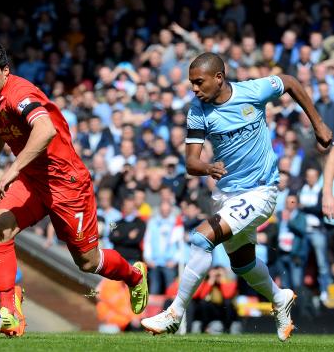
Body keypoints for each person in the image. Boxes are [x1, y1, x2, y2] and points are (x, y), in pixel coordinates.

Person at [141, 52, 332, 342]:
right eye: (192, 83)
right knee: (242, 264)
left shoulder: (253, 91)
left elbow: (291, 82)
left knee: (200, 238)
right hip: (230, 196)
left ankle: (175, 312)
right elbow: (192, 163)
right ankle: (279, 298)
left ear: (219, 78)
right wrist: (206, 166)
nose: (194, 88)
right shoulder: (197, 111)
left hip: (262, 190)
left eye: (198, 82)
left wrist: (318, 124)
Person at [0, 42, 148, 338]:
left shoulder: (20, 93)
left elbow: (45, 130)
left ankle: (134, 275)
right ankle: (8, 312)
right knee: (0, 227)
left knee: (87, 262)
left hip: (66, 183)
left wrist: (12, 169)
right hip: (32, 181)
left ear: (5, 71)